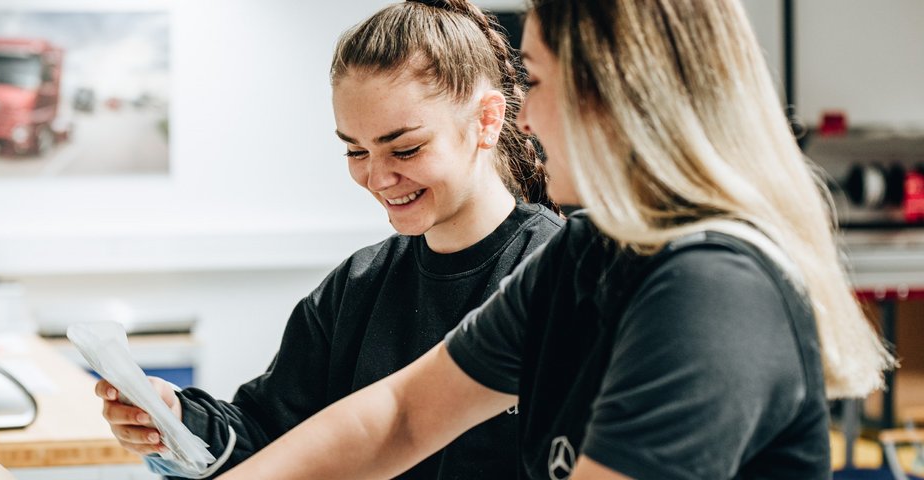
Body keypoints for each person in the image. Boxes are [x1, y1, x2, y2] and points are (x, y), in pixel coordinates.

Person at [212, 0, 896, 479]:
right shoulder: (587, 253)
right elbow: (402, 417)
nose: (525, 117)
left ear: (615, 91)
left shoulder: (713, 290)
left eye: (533, 80)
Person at [95, 1, 563, 478]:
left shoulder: (559, 273)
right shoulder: (359, 286)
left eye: (406, 148)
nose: (377, 177)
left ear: (486, 120)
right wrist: (180, 423)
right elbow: (272, 434)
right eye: (355, 149)